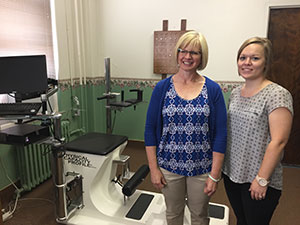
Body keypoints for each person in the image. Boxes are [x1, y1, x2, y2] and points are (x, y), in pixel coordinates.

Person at [144, 31, 227, 225]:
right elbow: (150, 129)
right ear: (177, 53)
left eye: (194, 52)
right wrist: (154, 169)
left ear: (201, 57)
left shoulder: (212, 90)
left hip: (202, 167)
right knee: (173, 214)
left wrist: (214, 175)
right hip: (169, 166)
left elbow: (221, 135)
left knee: (200, 215)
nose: (187, 57)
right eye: (183, 51)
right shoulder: (162, 88)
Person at [222, 37, 294, 225]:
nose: (247, 62)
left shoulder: (277, 94)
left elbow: (279, 141)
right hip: (233, 174)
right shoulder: (236, 92)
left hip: (259, 177)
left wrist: (262, 179)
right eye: (242, 57)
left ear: (266, 62)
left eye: (254, 58)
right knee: (241, 220)